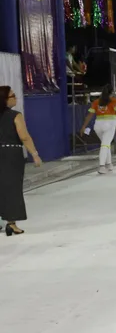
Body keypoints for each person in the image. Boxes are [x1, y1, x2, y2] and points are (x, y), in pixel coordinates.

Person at [0, 86, 41, 236]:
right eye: (13, 96)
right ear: (5, 100)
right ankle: (11, 224)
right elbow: (24, 136)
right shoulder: (15, 116)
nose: (16, 98)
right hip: (11, 154)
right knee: (12, 188)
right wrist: (35, 154)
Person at [80, 85, 116, 174]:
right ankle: (101, 166)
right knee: (105, 145)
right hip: (109, 124)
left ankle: (109, 164)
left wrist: (83, 126)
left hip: (98, 125)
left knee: (106, 143)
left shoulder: (96, 102)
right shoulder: (114, 101)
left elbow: (89, 115)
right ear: (112, 92)